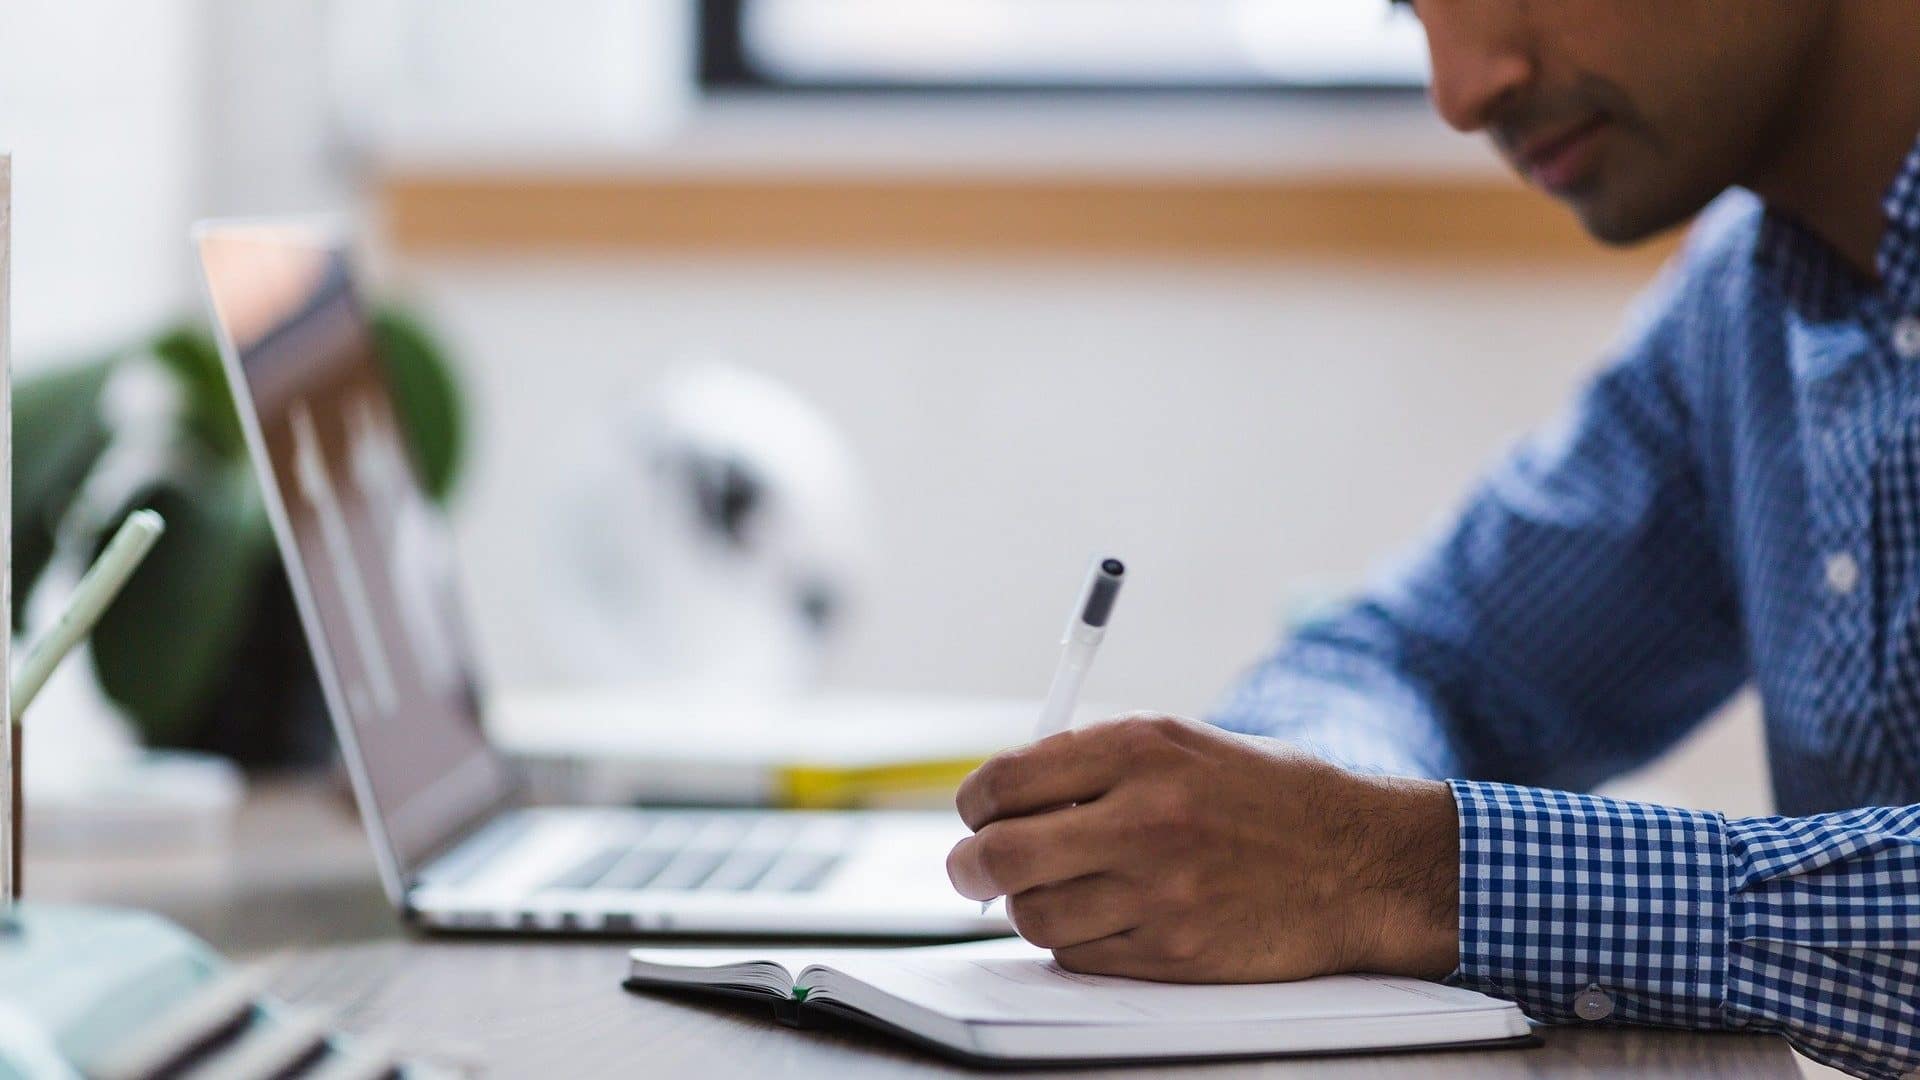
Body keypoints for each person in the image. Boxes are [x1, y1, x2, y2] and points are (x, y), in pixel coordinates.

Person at [943, 3, 1920, 1077]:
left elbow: (1383, 852)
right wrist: (1295, 835)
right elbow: (1415, 659)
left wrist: (1399, 871)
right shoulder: (1748, 303)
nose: (1460, 94)